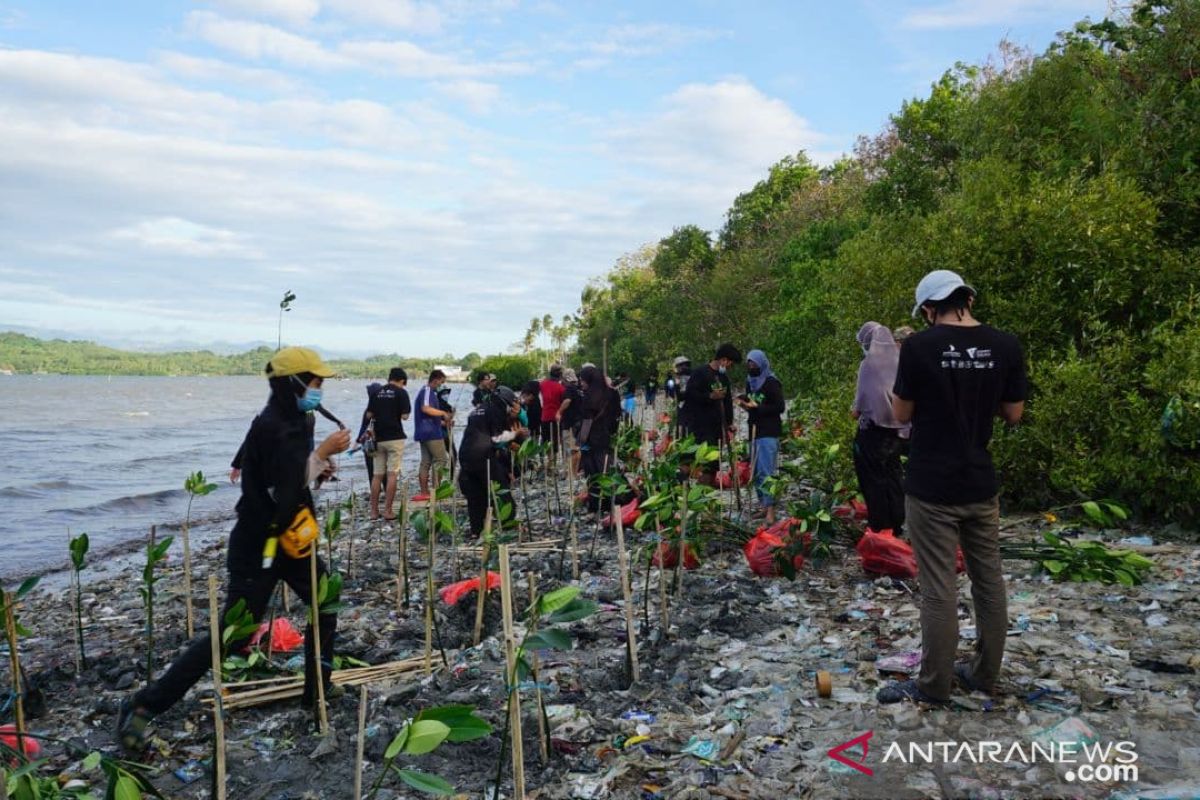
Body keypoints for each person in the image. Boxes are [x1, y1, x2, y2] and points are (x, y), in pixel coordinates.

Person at [117, 347, 351, 750]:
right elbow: (280, 487)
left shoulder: (301, 417)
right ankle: (142, 705)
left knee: (326, 602)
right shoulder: (273, 425)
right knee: (235, 636)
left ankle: (317, 693)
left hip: (293, 540)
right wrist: (321, 455)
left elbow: (285, 473)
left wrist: (318, 467)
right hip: (258, 543)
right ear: (291, 383)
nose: (319, 390)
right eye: (315, 383)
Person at [877, 271, 1027, 705]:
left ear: (928, 310)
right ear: (968, 299)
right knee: (989, 581)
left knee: (939, 587)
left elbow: (902, 414)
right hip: (980, 482)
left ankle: (934, 685)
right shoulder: (1006, 345)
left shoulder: (921, 346)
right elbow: (1013, 413)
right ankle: (984, 674)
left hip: (931, 485)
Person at [851, 323, 910, 536]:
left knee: (873, 481)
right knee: (894, 477)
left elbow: (859, 407)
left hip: (872, 434)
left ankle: (879, 527)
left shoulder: (868, 365)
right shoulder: (900, 362)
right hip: (898, 435)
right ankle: (896, 525)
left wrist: (857, 411)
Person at [458, 386, 527, 537]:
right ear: (505, 402)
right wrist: (516, 433)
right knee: (500, 489)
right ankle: (508, 522)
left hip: (465, 454)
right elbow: (496, 439)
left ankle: (477, 529)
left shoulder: (477, 410)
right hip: (482, 456)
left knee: (475, 494)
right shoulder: (496, 411)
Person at [736, 349, 785, 525]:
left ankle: (771, 510)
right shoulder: (750, 382)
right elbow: (752, 404)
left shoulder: (772, 383)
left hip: (769, 431)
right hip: (754, 429)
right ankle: (763, 506)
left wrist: (759, 407)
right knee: (755, 471)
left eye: (754, 363)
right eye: (748, 363)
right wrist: (745, 404)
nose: (751, 366)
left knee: (766, 471)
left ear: (762, 364)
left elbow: (780, 407)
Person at [681, 344, 741, 484]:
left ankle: (705, 495)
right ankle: (683, 492)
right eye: (730, 363)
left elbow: (727, 402)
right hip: (697, 426)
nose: (730, 367)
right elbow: (690, 394)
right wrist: (709, 396)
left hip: (715, 429)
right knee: (688, 460)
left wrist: (729, 423)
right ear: (723, 360)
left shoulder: (723, 378)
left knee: (711, 465)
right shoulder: (700, 373)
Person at [366, 368, 411, 521]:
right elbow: (405, 416)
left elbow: (369, 414)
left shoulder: (376, 392)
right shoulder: (401, 393)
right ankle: (388, 511)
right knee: (392, 474)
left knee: (377, 475)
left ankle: (373, 512)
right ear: (402, 381)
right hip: (395, 437)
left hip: (378, 438)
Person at [577, 365, 617, 510]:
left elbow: (586, 422)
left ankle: (596, 505)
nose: (581, 383)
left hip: (591, 440)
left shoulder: (588, 397)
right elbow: (616, 416)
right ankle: (610, 501)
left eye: (582, 380)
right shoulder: (609, 394)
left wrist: (580, 441)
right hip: (605, 437)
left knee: (592, 473)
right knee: (605, 469)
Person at [414, 370, 453, 496]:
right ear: (435, 380)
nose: (442, 385)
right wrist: (443, 413)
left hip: (425, 431)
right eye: (441, 382)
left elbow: (429, 415)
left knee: (426, 462)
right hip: (431, 433)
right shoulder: (427, 391)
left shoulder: (430, 393)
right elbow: (425, 408)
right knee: (441, 460)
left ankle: (425, 493)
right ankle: (436, 491)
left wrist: (443, 422)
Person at [557, 368, 583, 475]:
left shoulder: (569, 389)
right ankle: (575, 471)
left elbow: (567, 401)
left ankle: (572, 474)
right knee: (577, 448)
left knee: (572, 449)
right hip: (579, 421)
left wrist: (559, 412)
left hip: (570, 424)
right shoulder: (579, 389)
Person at [356, 382, 383, 482]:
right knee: (383, 468)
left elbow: (363, 426)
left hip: (370, 444)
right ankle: (386, 489)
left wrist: (358, 440)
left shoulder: (369, 409)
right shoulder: (386, 407)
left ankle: (374, 491)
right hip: (383, 442)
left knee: (371, 469)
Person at [539, 365, 566, 457]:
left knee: (546, 443)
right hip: (556, 418)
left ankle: (548, 463)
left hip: (545, 417)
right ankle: (555, 462)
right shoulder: (561, 388)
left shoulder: (542, 384)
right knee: (556, 443)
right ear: (560, 375)